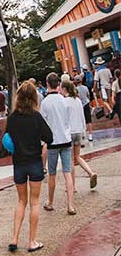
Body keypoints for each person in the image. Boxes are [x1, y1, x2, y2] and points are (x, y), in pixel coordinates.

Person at [7, 82, 53, 253]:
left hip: (18, 163)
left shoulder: (12, 118)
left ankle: (14, 239)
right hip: (34, 163)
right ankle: (32, 241)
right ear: (34, 98)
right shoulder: (36, 116)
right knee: (34, 203)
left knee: (21, 201)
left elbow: (7, 139)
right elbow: (49, 137)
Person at [41, 73, 77, 215]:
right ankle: (70, 205)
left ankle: (50, 202)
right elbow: (68, 120)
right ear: (59, 84)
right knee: (67, 172)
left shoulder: (45, 103)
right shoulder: (64, 100)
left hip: (52, 141)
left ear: (47, 83)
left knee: (52, 174)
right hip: (66, 139)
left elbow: (43, 124)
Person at [63, 79, 98, 193]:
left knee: (70, 160)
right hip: (78, 131)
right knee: (77, 156)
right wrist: (83, 131)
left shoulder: (65, 102)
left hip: (70, 132)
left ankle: (72, 186)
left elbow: (65, 119)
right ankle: (90, 172)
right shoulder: (77, 100)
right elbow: (83, 117)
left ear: (64, 89)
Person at [75, 75, 94, 142]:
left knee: (81, 121)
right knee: (89, 120)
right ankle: (90, 135)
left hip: (79, 106)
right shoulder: (85, 88)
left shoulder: (75, 89)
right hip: (86, 104)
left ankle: (83, 134)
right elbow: (88, 95)